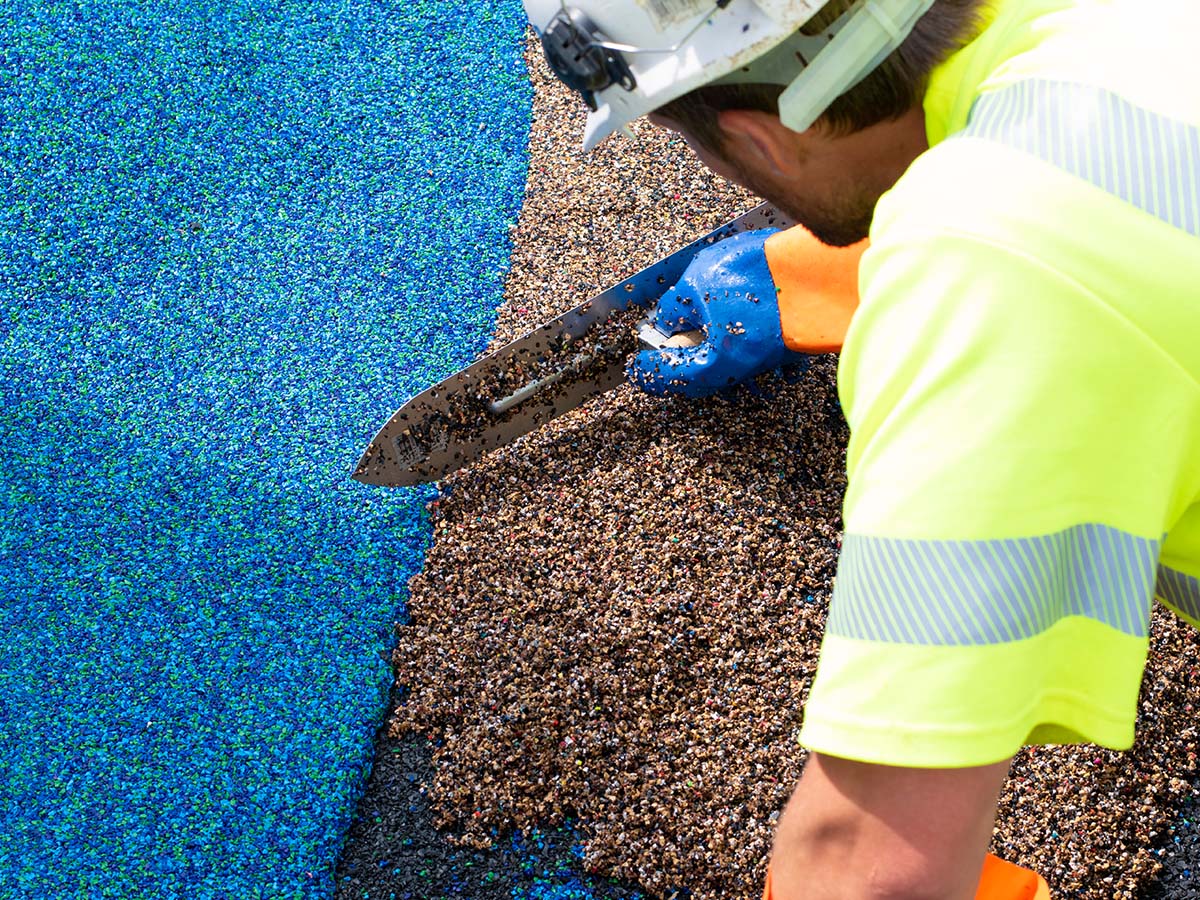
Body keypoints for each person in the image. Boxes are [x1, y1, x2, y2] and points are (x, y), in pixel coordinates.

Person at [522, 0, 1200, 897]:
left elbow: (866, 871)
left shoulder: (987, 277)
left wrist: (936, 275)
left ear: (760, 143)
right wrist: (824, 273)